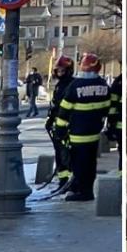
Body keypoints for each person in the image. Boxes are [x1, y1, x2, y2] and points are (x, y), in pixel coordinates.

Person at [53, 53, 111, 202]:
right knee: (90, 163)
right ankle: (87, 190)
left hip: (78, 134)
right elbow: (107, 108)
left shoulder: (75, 86)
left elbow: (64, 110)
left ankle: (82, 192)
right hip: (94, 133)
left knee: (78, 164)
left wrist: (59, 130)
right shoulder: (103, 85)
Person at [45, 55, 75, 188]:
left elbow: (66, 107)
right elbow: (55, 105)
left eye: (63, 71)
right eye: (58, 71)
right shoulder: (59, 85)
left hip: (68, 126)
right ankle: (62, 181)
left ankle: (69, 182)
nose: (60, 73)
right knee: (59, 153)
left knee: (66, 155)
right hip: (58, 125)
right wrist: (50, 120)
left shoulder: (72, 85)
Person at [108, 73, 123, 171]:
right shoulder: (118, 82)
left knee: (122, 152)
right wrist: (111, 124)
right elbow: (112, 105)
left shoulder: (118, 81)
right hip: (119, 126)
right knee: (122, 152)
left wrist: (111, 124)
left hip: (120, 125)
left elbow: (112, 106)